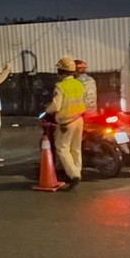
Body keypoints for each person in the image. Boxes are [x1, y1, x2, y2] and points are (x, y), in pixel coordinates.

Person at [46, 56, 86, 190]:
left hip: (66, 122)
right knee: (76, 148)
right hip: (79, 119)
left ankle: (74, 175)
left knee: (62, 148)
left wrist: (46, 109)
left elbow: (56, 106)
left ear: (61, 71)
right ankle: (77, 171)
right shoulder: (79, 84)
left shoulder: (60, 86)